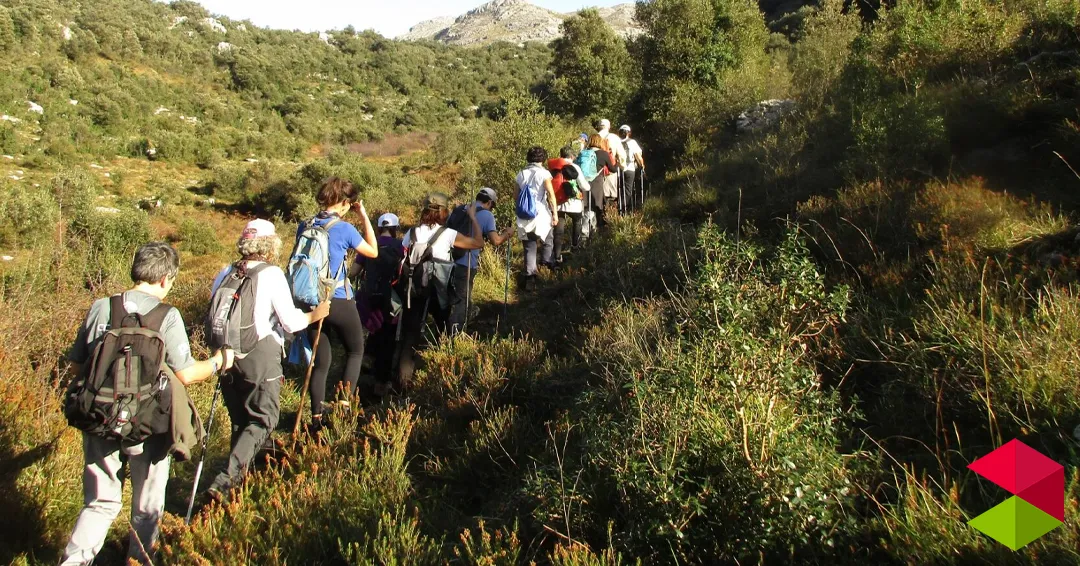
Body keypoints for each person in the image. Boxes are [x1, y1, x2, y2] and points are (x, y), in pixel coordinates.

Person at [60, 242, 235, 566]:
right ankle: (138, 560)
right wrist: (217, 361)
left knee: (99, 503)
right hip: (148, 425)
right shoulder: (167, 315)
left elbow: (76, 368)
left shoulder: (102, 306)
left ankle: (73, 562)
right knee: (147, 507)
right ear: (167, 278)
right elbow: (185, 374)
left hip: (99, 418)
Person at [206, 220, 330, 497]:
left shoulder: (226, 271)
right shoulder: (271, 274)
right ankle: (226, 481)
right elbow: (290, 322)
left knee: (241, 420)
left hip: (225, 356)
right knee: (264, 419)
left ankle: (238, 485)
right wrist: (315, 315)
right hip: (260, 355)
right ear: (269, 244)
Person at [296, 177, 377, 432]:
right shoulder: (344, 229)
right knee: (355, 350)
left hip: (309, 301)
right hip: (338, 298)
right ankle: (343, 407)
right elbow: (373, 251)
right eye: (349, 203)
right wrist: (363, 216)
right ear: (344, 203)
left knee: (321, 362)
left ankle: (317, 418)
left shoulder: (304, 225)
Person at [397, 193, 484, 389]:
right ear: (443, 212)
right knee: (445, 330)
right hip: (438, 291)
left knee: (410, 337)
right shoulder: (448, 234)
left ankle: (403, 384)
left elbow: (401, 257)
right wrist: (472, 218)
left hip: (414, 290)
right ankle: (447, 375)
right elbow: (479, 243)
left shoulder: (411, 233)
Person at [350, 213, 406, 397]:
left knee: (370, 331)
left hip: (369, 297)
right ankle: (382, 382)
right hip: (392, 299)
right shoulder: (401, 246)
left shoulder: (369, 244)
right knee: (389, 338)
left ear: (379, 228)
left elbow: (355, 271)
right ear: (395, 228)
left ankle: (365, 368)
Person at [447, 188, 513, 336]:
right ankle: (454, 336)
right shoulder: (486, 215)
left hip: (447, 260)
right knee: (462, 301)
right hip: (466, 263)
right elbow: (495, 240)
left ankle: (447, 326)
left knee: (451, 297)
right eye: (492, 205)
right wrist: (507, 234)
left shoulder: (458, 210)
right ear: (489, 202)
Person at [514, 146, 559, 291]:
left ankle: (530, 278)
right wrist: (555, 214)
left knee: (529, 246)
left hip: (524, 215)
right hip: (540, 213)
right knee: (547, 240)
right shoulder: (544, 173)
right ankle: (546, 266)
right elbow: (551, 196)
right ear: (543, 158)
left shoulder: (520, 174)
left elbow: (515, 196)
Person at [549, 146, 585, 264]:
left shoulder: (553, 167)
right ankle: (575, 247)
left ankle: (557, 256)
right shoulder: (574, 167)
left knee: (559, 230)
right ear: (571, 156)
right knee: (577, 221)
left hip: (558, 202)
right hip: (573, 203)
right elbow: (584, 186)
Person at [584, 134, 615, 229]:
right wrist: (618, 164)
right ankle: (596, 229)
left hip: (584, 182)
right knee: (597, 205)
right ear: (599, 142)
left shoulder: (584, 153)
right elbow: (613, 169)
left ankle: (585, 232)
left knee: (586, 207)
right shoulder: (603, 154)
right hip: (597, 182)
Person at [595, 119, 626, 212]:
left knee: (597, 195)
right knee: (610, 195)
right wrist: (621, 166)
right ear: (608, 127)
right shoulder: (614, 137)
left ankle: (598, 220)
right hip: (610, 170)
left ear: (599, 126)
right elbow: (622, 155)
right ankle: (610, 217)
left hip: (595, 172)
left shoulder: (593, 137)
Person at [619, 124, 645, 209]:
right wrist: (642, 166)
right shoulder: (632, 142)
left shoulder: (616, 141)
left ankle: (615, 209)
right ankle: (624, 208)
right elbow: (638, 156)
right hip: (630, 168)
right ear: (629, 133)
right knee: (627, 190)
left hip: (618, 169)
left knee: (618, 189)